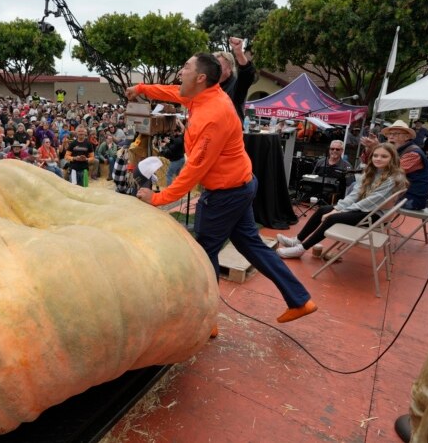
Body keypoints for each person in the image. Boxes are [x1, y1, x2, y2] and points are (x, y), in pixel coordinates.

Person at [127, 52, 317, 324]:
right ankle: (300, 300)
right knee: (252, 245)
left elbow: (194, 169)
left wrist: (158, 198)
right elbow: (172, 92)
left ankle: (207, 322)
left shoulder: (213, 114)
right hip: (240, 185)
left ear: (201, 78)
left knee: (204, 252)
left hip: (226, 193)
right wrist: (142, 88)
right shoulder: (203, 95)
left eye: (185, 67)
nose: (181, 72)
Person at [277, 143, 407, 258]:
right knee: (323, 209)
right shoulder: (371, 172)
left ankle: (302, 249)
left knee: (332, 218)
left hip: (375, 216)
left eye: (384, 156)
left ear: (392, 159)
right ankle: (297, 240)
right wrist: (338, 208)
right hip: (365, 210)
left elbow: (369, 203)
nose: (378, 159)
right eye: (376, 155)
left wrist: (336, 213)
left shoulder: (391, 178)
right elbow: (355, 194)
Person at [381, 120, 428, 210]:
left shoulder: (413, 154)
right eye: (389, 134)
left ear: (407, 137)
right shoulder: (395, 150)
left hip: (411, 199)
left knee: (368, 195)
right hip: (397, 193)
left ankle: (360, 221)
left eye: (395, 134)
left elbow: (391, 174)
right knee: (359, 188)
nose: (391, 137)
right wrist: (370, 148)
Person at [215, 36, 256, 123]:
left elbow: (247, 74)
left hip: (230, 134)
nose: (214, 68)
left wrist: (238, 53)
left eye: (218, 65)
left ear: (229, 68)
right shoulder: (209, 85)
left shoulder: (235, 86)